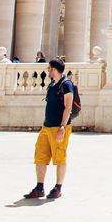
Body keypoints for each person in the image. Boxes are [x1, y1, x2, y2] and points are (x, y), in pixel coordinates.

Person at [24, 58, 73, 200]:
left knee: (59, 156)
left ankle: (58, 187)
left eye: (49, 68)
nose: (47, 70)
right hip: (47, 126)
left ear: (54, 70)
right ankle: (39, 187)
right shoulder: (52, 85)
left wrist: (62, 127)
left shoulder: (67, 85)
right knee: (40, 155)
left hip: (59, 126)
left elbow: (68, 107)